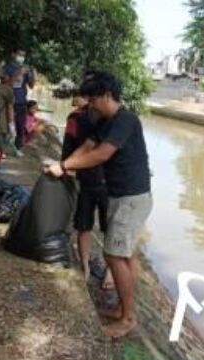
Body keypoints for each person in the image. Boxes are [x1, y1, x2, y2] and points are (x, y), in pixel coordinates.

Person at [45, 71, 152, 338]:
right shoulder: (108, 121)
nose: (89, 104)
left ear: (107, 95)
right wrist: (65, 165)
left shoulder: (125, 120)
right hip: (120, 196)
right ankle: (122, 309)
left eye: (93, 99)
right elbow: (88, 145)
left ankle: (127, 318)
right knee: (121, 255)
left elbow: (102, 154)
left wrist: (64, 165)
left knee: (115, 256)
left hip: (131, 198)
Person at [61, 93, 114, 289]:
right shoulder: (75, 119)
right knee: (84, 225)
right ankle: (86, 266)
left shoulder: (111, 119)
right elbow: (68, 145)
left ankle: (110, 272)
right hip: (86, 179)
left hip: (109, 182)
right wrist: (65, 167)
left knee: (110, 229)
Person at [3, 48, 35, 153]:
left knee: (20, 126)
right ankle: (2, 148)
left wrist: (32, 74)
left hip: (21, 101)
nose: (22, 57)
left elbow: (31, 85)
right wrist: (18, 73)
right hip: (9, 101)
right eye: (19, 54)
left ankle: (18, 148)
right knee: (7, 125)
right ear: (13, 54)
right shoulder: (7, 68)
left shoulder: (25, 68)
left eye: (23, 55)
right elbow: (6, 84)